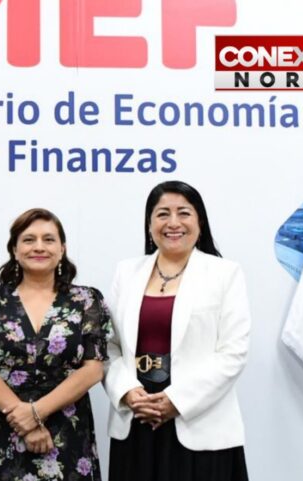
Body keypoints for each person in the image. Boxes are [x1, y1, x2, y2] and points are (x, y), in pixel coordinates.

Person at [104, 181, 250, 481]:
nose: (173, 223)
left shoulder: (225, 274)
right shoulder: (126, 273)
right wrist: (127, 392)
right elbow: (108, 346)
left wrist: (176, 401)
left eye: (184, 213)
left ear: (200, 222)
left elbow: (233, 353)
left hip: (200, 423)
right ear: (149, 224)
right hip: (137, 418)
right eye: (162, 214)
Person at [0, 208, 112, 481]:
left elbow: (93, 369)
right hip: (4, 425)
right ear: (15, 249)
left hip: (66, 429)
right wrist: (24, 421)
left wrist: (35, 413)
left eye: (49, 239)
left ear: (62, 248)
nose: (39, 247)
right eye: (29, 239)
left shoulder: (87, 300)